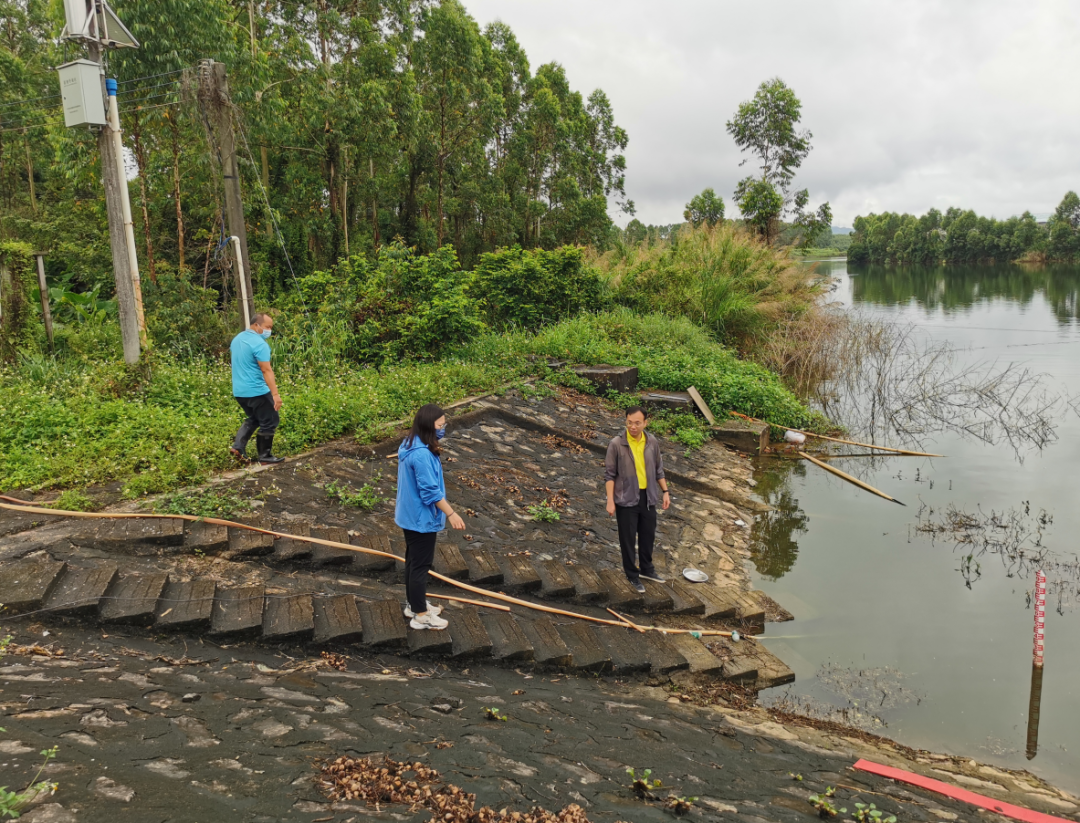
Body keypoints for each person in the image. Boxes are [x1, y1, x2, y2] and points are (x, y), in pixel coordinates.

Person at [395, 404, 466, 630]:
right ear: (429, 426)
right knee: (420, 566)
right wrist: (451, 513)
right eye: (439, 425)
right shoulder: (422, 455)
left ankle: (413, 604)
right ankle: (421, 616)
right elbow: (430, 492)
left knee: (413, 562)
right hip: (420, 519)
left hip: (409, 515)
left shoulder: (409, 443)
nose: (443, 428)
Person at [604, 405, 671, 593]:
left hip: (648, 496)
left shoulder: (652, 442)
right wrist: (610, 501)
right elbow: (609, 475)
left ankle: (647, 570)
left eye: (637, 423)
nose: (633, 427)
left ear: (645, 423)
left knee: (648, 534)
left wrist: (665, 491)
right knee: (627, 537)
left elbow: (659, 469)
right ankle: (632, 575)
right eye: (629, 422)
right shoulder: (616, 444)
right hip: (625, 497)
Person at [229, 313, 284, 465]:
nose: (269, 331)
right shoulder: (259, 344)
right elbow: (266, 370)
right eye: (267, 327)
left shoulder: (237, 339)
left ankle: (238, 447)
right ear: (256, 325)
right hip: (257, 390)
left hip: (240, 391)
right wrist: (275, 394)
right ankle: (265, 456)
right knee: (270, 420)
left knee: (254, 419)